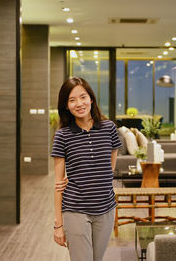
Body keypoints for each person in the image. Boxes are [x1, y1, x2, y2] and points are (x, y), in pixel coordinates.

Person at [51, 76, 122, 261]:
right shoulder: (62, 136)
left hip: (106, 209)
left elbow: (110, 167)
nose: (79, 103)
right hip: (75, 209)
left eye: (83, 97)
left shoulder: (109, 128)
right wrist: (58, 225)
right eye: (72, 100)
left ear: (91, 98)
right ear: (66, 106)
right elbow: (59, 185)